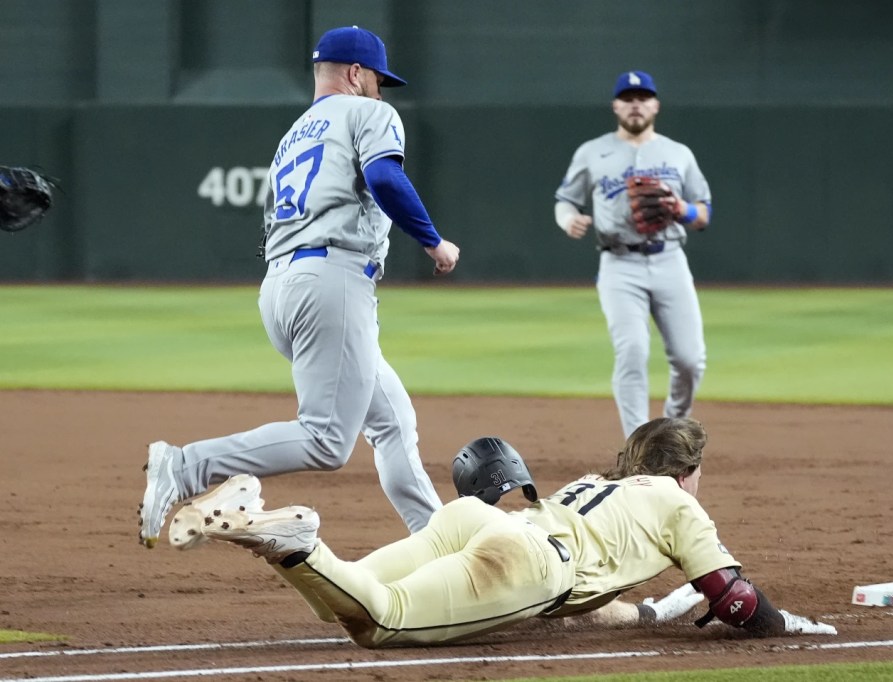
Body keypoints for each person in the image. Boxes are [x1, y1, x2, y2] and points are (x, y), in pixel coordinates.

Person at [137, 26, 460, 548]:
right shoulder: (369, 113)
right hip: (332, 281)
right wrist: (433, 242)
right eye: (378, 78)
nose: (381, 90)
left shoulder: (293, 136)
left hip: (284, 286)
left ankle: (440, 540)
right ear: (356, 74)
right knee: (327, 440)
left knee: (393, 421)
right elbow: (384, 178)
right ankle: (186, 465)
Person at [183, 417, 837, 647]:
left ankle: (269, 535)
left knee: (342, 601)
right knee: (381, 622)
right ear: (688, 472)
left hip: (480, 522)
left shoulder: (596, 487)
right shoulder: (677, 502)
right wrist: (782, 627)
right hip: (529, 559)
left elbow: (584, 600)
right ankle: (301, 542)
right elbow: (735, 600)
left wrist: (642, 612)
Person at [554, 70, 711, 439]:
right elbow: (565, 199)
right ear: (616, 106)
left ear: (655, 105)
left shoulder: (678, 153)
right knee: (632, 353)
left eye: (642, 98)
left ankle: (672, 430)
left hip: (670, 259)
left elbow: (704, 213)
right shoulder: (592, 151)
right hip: (618, 263)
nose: (635, 104)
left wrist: (681, 209)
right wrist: (568, 221)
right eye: (627, 98)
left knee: (690, 361)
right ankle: (639, 445)